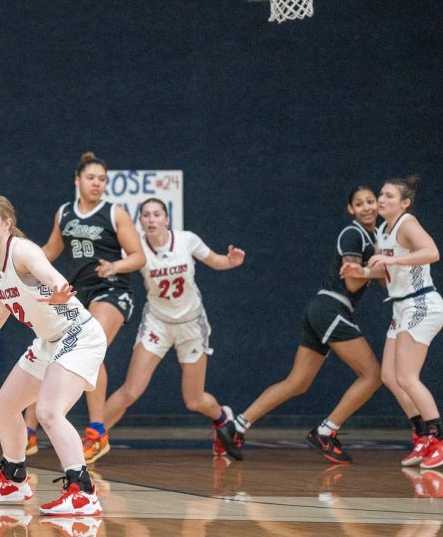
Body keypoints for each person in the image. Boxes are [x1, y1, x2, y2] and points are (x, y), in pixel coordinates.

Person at [0, 195, 107, 516]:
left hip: (78, 334)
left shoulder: (22, 250)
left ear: (6, 223)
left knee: (49, 411)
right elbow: (2, 301)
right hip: (48, 339)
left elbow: (52, 276)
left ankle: (83, 491)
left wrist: (59, 288)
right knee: (5, 405)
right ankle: (13, 479)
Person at [218, 187, 383, 463]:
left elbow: (380, 278)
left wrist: (386, 263)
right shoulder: (353, 234)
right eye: (359, 203)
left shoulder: (375, 237)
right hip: (332, 307)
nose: (366, 207)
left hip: (322, 309)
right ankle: (325, 432)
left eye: (370, 201)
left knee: (297, 382)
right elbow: (354, 281)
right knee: (372, 376)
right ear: (350, 210)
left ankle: (237, 425)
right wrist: (379, 266)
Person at [24, 152, 144, 464]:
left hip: (113, 290)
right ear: (78, 181)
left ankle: (96, 431)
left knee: (93, 346)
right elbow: (50, 251)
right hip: (79, 294)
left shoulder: (114, 213)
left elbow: (138, 256)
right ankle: (28, 430)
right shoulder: (65, 212)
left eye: (102, 179)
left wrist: (115, 265)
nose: (97, 183)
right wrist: (18, 271)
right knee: (50, 346)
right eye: (91, 178)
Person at [103, 198, 245, 456]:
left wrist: (231, 261)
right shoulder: (136, 250)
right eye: (146, 215)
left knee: (194, 400)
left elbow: (216, 260)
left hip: (191, 323)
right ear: (141, 222)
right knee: (131, 391)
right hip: (157, 322)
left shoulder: (186, 239)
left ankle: (222, 417)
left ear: (167, 219)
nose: (151, 219)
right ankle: (93, 438)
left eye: (157, 214)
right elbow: (115, 266)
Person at [341, 177, 443, 469]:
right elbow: (384, 273)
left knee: (408, 377)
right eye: (381, 195)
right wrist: (360, 270)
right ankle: (422, 435)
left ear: (404, 202)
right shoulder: (383, 232)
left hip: (421, 303)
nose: (381, 200)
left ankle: (439, 439)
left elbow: (432, 252)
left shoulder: (407, 223)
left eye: (387, 196)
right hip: (401, 307)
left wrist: (392, 263)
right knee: (389, 376)